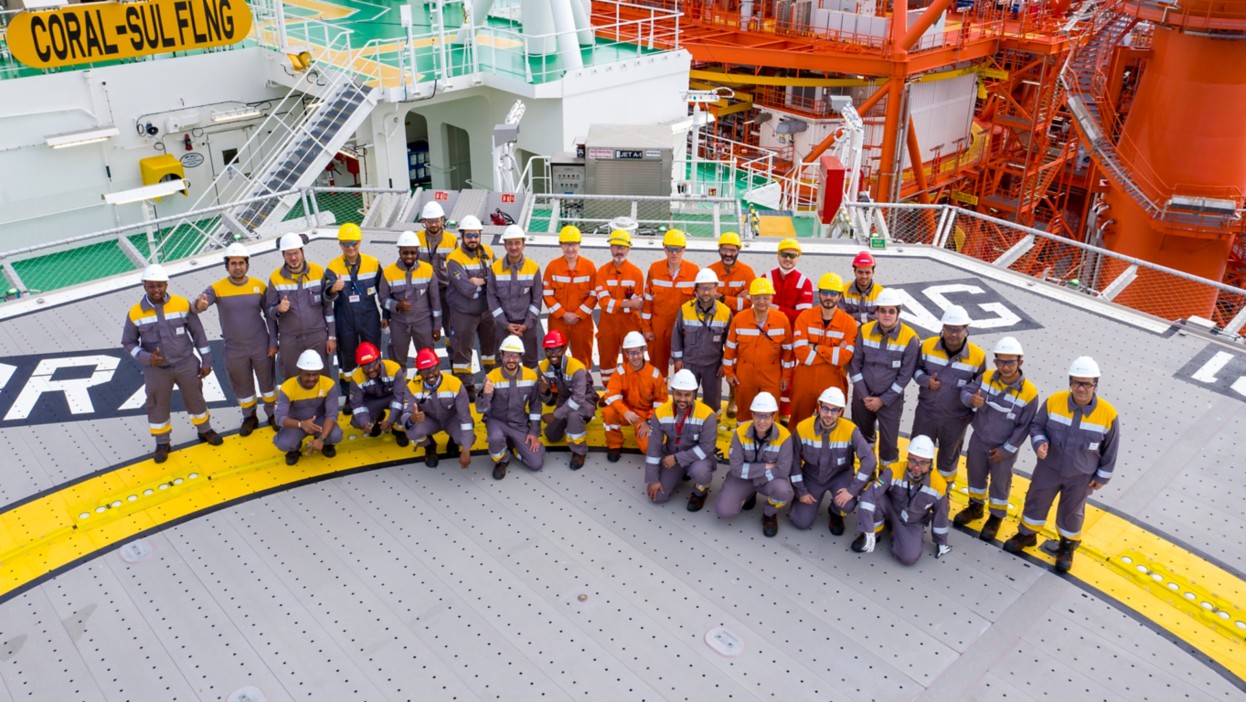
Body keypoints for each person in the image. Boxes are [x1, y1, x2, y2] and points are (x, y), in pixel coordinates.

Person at [1002, 356, 1120, 572]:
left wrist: (1102, 477)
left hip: (1081, 475)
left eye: (1087, 383)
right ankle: (1027, 535)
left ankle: (1067, 546)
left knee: (1072, 511)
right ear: (1070, 382)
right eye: (1076, 382)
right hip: (1049, 468)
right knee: (1036, 500)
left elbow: (1111, 448)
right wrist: (1040, 443)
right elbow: (1037, 426)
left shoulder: (1107, 414)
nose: (1081, 388)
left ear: (1095, 384)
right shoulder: (1054, 402)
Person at [123, 263, 222, 463]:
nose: (156, 290)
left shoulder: (182, 304)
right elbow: (128, 343)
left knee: (196, 398)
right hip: (156, 370)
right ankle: (162, 443)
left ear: (166, 284)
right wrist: (147, 358)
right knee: (158, 405)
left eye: (160, 285)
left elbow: (198, 334)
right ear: (144, 286)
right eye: (151, 286)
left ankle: (204, 430)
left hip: (186, 363)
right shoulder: (135, 314)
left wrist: (206, 361)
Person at [955, 336, 1039, 543]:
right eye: (1001, 361)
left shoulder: (1029, 393)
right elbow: (966, 391)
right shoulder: (985, 378)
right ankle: (976, 507)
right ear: (995, 362)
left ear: (1020, 362)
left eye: (1010, 362)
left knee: (1000, 482)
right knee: (975, 474)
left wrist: (1006, 450)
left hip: (1004, 447)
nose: (1005, 367)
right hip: (979, 438)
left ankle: (996, 516)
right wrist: (970, 400)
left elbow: (1024, 427)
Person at [194, 243, 277, 436]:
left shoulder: (259, 286)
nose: (237, 267)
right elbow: (199, 305)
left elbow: (270, 315)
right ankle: (250, 417)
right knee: (242, 384)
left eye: (241, 263)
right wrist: (200, 304)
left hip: (261, 345)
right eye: (233, 263)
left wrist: (273, 341)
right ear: (227, 266)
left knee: (268, 383)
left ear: (247, 265)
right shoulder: (217, 288)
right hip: (234, 349)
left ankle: (273, 414)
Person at [911, 305, 986, 486]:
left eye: (958, 330)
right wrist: (926, 381)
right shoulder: (927, 346)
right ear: (942, 329)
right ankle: (916, 489)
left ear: (966, 330)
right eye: (949, 329)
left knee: (948, 462)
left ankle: (942, 495)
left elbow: (981, 388)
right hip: (926, 415)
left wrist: (973, 405)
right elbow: (915, 370)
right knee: (919, 456)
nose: (953, 334)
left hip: (956, 420)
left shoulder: (977, 356)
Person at [847, 287, 919, 470]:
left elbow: (904, 376)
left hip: (890, 402)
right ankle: (867, 473)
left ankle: (886, 482)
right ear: (877, 312)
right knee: (863, 438)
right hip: (862, 398)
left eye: (891, 311)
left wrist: (882, 400)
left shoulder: (910, 338)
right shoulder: (864, 331)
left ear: (898, 313)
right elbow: (855, 365)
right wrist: (864, 396)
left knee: (889, 445)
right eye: (883, 310)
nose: (887, 315)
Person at [851, 435, 952, 565]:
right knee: (874, 497)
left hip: (911, 522)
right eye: (913, 460)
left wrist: (941, 542)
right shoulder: (894, 470)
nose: (916, 467)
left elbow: (941, 516)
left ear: (930, 463)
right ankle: (875, 533)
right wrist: (867, 529)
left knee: (908, 558)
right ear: (907, 457)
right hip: (889, 509)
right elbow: (870, 495)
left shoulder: (939, 486)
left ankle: (895, 532)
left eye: (922, 462)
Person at [788, 387, 876, 534]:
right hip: (813, 475)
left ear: (841, 412)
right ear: (819, 407)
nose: (829, 414)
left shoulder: (850, 429)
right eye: (825, 409)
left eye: (834, 410)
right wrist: (801, 491)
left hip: (839, 476)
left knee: (847, 504)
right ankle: (800, 503)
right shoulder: (803, 428)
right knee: (800, 522)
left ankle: (836, 512)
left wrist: (852, 490)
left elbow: (869, 460)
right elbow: (793, 460)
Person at [716, 393, 795, 538]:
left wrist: (754, 475)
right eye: (758, 415)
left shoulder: (784, 436)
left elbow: (783, 471)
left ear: (773, 416)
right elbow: (735, 469)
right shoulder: (740, 433)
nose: (762, 421)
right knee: (724, 511)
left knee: (783, 491)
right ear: (752, 415)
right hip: (746, 477)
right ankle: (749, 493)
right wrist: (766, 465)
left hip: (763, 479)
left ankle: (769, 513)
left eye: (766, 416)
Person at [326, 222, 384, 408]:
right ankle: (351, 397)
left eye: (354, 243)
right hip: (345, 318)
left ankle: (377, 391)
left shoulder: (373, 263)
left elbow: (383, 291)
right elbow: (325, 296)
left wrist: (386, 315)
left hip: (369, 316)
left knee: (373, 355)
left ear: (360, 242)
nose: (350, 247)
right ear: (340, 244)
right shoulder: (333, 267)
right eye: (346, 243)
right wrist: (332, 290)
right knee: (347, 358)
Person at [789, 273, 857, 426]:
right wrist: (832, 351)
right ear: (818, 293)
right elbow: (801, 354)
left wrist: (815, 347)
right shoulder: (805, 317)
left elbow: (844, 357)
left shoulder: (849, 323)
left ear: (840, 296)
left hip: (833, 380)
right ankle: (795, 450)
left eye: (833, 293)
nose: (829, 297)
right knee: (798, 422)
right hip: (804, 380)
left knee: (831, 423)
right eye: (825, 292)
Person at [645, 369, 718, 511]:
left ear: (694, 393)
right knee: (658, 496)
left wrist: (677, 458)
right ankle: (680, 473)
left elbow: (707, 448)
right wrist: (652, 479)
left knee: (701, 471)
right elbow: (653, 448)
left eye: (687, 395)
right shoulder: (660, 413)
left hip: (697, 459)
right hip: (671, 458)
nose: (682, 399)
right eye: (678, 394)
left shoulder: (707, 415)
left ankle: (700, 492)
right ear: (672, 391)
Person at [266, 232, 335, 380]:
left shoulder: (318, 272)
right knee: (292, 378)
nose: (293, 258)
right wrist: (278, 309)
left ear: (303, 252)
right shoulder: (275, 278)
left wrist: (331, 336)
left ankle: (323, 404)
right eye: (288, 254)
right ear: (283, 255)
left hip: (317, 336)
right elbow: (269, 313)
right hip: (289, 339)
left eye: (296, 253)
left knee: (321, 377)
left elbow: (327, 307)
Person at [723, 277, 793, 423]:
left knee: (770, 412)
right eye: (757, 297)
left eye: (766, 297)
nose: (762, 301)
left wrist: (786, 377)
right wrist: (729, 373)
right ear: (752, 298)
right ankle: (743, 442)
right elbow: (730, 349)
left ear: (772, 298)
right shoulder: (739, 319)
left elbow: (787, 352)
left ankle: (769, 444)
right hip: (745, 373)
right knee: (744, 412)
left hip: (772, 374)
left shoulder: (782, 320)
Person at [477, 334, 546, 479]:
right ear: (501, 356)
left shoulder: (531, 376)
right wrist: (485, 394)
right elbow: (480, 409)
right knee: (495, 438)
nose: (511, 360)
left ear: (520, 356)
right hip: (497, 421)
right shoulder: (492, 377)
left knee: (536, 463)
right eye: (507, 355)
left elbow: (535, 407)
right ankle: (502, 460)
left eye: (515, 356)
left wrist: (534, 432)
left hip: (519, 423)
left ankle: (512, 446)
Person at [444, 214, 496, 399]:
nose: (473, 239)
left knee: (490, 350)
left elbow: (497, 279)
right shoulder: (454, 259)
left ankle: (491, 381)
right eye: (469, 235)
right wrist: (486, 287)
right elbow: (465, 289)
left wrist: (481, 281)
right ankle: (467, 387)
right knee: (462, 350)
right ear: (462, 236)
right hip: (464, 313)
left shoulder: (489, 253)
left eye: (475, 235)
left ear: (480, 235)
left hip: (487, 311)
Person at [671, 269, 731, 415]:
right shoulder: (685, 309)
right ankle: (684, 426)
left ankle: (711, 429)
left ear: (716, 288)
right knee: (684, 399)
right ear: (696, 289)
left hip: (713, 366)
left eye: (710, 288)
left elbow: (730, 342)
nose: (706, 292)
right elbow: (677, 335)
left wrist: (725, 363)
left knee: (713, 403)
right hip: (689, 364)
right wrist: (678, 359)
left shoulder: (725, 312)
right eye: (703, 288)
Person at [401, 347, 474, 469]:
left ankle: (453, 441)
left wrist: (466, 450)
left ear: (438, 366)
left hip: (452, 420)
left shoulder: (455, 384)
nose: (429, 374)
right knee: (412, 432)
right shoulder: (411, 387)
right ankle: (429, 445)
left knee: (468, 437)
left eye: (432, 368)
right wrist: (412, 419)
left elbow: (465, 418)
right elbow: (405, 414)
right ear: (419, 372)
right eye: (424, 371)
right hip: (430, 421)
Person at [378, 230, 441, 368]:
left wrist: (436, 326)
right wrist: (397, 305)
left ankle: (429, 386)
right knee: (398, 360)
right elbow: (382, 298)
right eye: (405, 252)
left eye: (412, 252)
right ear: (399, 251)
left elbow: (435, 301)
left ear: (417, 252)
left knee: (428, 358)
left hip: (423, 322)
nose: (409, 256)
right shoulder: (388, 272)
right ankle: (400, 387)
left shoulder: (428, 270)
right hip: (398, 324)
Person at [602, 331, 668, 461]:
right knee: (609, 412)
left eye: (638, 352)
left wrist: (649, 422)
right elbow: (611, 394)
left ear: (644, 351)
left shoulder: (654, 375)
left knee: (648, 448)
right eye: (631, 353)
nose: (635, 356)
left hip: (645, 416)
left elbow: (661, 402)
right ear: (626, 354)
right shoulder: (620, 372)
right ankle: (614, 445)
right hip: (627, 411)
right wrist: (624, 411)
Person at [641, 229, 698, 375]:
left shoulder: (693, 271)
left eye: (677, 249)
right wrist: (646, 329)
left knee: (683, 369)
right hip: (658, 329)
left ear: (684, 250)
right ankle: (660, 397)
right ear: (664, 249)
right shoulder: (655, 268)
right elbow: (647, 302)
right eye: (670, 249)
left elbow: (697, 305)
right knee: (657, 370)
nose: (674, 253)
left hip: (683, 330)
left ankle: (681, 397)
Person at [538, 330, 596, 470]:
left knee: (573, 415)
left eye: (557, 349)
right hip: (564, 400)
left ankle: (579, 451)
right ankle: (569, 423)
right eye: (549, 350)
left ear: (564, 349)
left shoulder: (576, 368)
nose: (553, 354)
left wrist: (556, 415)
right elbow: (543, 397)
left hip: (585, 401)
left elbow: (578, 400)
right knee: (551, 435)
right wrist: (543, 391)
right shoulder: (543, 367)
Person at [594, 229, 645, 387]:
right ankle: (610, 391)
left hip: (630, 326)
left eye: (622, 247)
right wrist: (626, 304)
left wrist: (615, 304)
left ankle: (630, 393)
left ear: (629, 249)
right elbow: (603, 302)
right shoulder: (602, 272)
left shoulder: (636, 273)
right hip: (607, 325)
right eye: (616, 247)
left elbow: (638, 303)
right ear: (610, 248)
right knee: (607, 360)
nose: (619, 251)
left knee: (632, 359)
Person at [486, 225, 543, 367]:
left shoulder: (533, 268)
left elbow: (537, 300)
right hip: (503, 326)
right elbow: (492, 300)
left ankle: (533, 388)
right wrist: (505, 324)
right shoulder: (495, 268)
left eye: (517, 243)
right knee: (501, 360)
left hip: (527, 325)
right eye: (510, 243)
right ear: (505, 245)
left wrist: (526, 324)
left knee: (530, 360)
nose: (513, 247)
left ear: (523, 245)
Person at [273, 349, 342, 466]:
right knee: (284, 443)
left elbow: (332, 414)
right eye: (307, 374)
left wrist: (321, 439)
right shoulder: (287, 388)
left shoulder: (329, 385)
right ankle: (294, 449)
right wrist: (301, 424)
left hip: (320, 421)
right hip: (297, 422)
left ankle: (323, 442)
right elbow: (279, 418)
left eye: (315, 374)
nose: (311, 378)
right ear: (299, 371)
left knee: (336, 435)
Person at [543, 225, 597, 369]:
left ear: (579, 244)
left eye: (573, 244)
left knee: (583, 356)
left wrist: (578, 315)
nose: (570, 249)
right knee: (555, 356)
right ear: (560, 245)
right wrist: (563, 314)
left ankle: (584, 385)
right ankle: (556, 386)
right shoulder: (552, 267)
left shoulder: (589, 267)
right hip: (558, 321)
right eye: (566, 244)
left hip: (582, 322)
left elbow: (593, 295)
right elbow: (547, 295)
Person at [346, 341, 408, 447]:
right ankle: (378, 416)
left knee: (405, 405)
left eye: (372, 364)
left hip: (393, 397)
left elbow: (399, 397)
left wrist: (390, 421)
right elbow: (357, 405)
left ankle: (398, 430)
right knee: (357, 422)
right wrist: (364, 423)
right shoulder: (356, 377)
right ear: (360, 366)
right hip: (373, 401)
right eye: (365, 367)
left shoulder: (394, 368)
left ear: (379, 360)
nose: (370, 369)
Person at [416, 200, 457, 336]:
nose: (433, 224)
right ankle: (428, 355)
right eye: (430, 221)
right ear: (424, 221)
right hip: (423, 291)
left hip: (446, 290)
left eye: (436, 221)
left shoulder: (452, 240)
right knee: (425, 326)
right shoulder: (416, 239)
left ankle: (452, 354)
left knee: (450, 326)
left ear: (442, 220)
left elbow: (458, 267)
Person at [766, 238, 813, 328]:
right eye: (784, 254)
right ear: (778, 255)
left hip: (793, 334)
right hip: (767, 332)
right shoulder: (766, 278)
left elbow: (803, 316)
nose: (788, 259)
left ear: (797, 258)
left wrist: (777, 309)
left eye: (792, 256)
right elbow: (758, 309)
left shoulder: (804, 283)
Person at [707, 231, 756, 314]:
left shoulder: (747, 272)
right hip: (715, 321)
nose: (728, 254)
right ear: (719, 250)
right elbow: (706, 300)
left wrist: (722, 298)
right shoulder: (710, 271)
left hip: (738, 321)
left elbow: (748, 303)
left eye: (732, 250)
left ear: (738, 251)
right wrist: (736, 299)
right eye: (724, 249)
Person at [841, 250, 884, 324]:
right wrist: (869, 317)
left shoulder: (882, 293)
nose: (864, 276)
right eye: (860, 272)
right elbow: (840, 317)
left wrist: (853, 316)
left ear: (873, 273)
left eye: (867, 272)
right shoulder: (843, 291)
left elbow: (882, 319)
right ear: (854, 272)